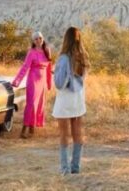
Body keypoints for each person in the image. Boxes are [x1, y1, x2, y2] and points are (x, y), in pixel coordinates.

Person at [52, 27, 89, 175]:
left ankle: (65, 169)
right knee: (77, 133)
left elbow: (60, 83)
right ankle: (76, 167)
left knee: (64, 134)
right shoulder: (83, 57)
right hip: (78, 99)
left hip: (65, 99)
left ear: (66, 39)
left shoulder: (63, 58)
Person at [11, 31, 52, 138]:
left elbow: (49, 68)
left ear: (43, 39)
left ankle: (32, 129)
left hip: (42, 82)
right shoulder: (31, 52)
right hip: (33, 81)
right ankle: (24, 130)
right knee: (31, 105)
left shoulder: (47, 51)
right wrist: (17, 81)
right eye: (36, 39)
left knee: (39, 104)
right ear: (33, 41)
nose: (39, 40)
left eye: (40, 38)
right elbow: (25, 67)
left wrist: (49, 83)